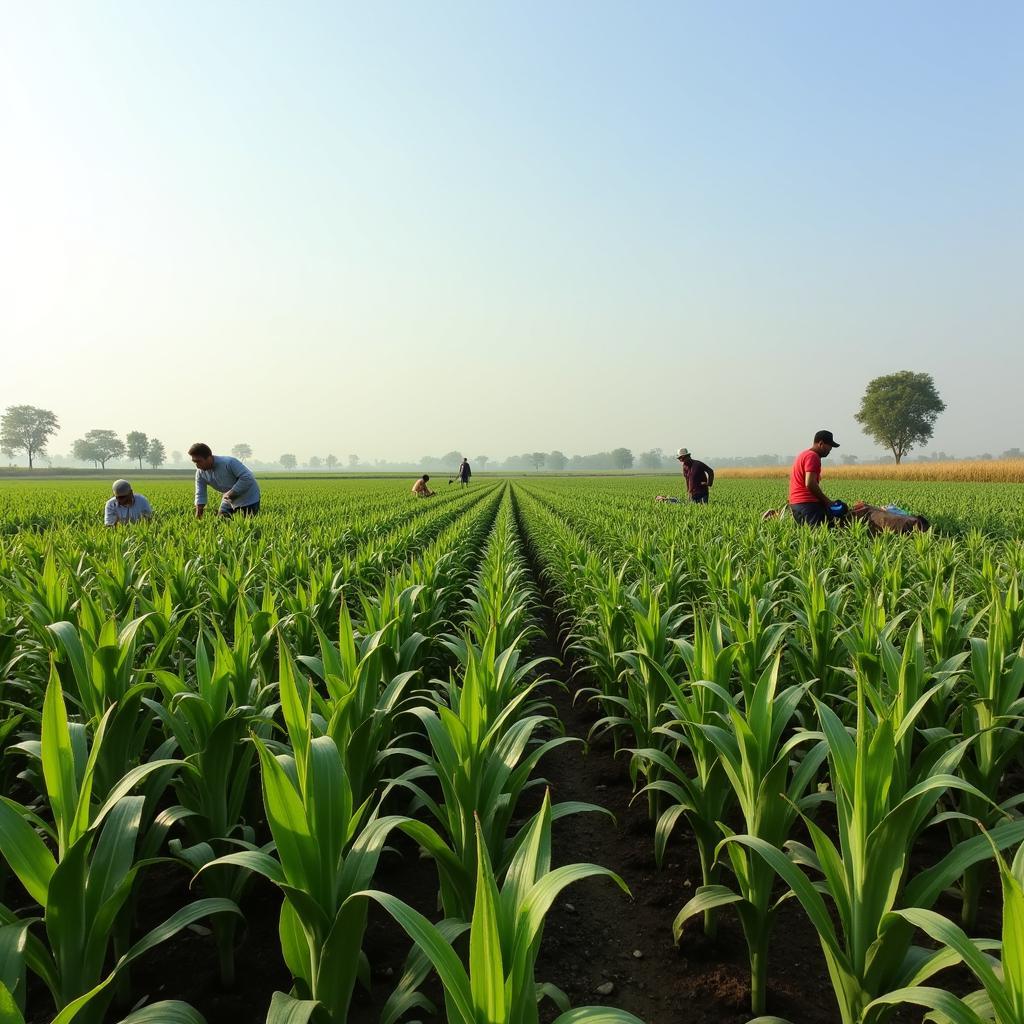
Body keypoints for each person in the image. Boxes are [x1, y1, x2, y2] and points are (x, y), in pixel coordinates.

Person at [189, 442, 261, 519]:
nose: (197, 465)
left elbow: (247, 478)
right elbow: (200, 494)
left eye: (199, 461)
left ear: (209, 457)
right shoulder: (200, 473)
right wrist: (198, 517)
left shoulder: (229, 462)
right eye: (194, 462)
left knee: (245, 524)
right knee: (221, 521)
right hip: (228, 499)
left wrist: (231, 493)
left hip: (248, 498)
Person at [788, 430, 840, 525]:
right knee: (821, 537)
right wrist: (827, 501)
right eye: (830, 446)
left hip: (796, 504)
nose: (830, 450)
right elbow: (810, 483)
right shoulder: (813, 456)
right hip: (808, 505)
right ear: (821, 443)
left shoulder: (803, 455)